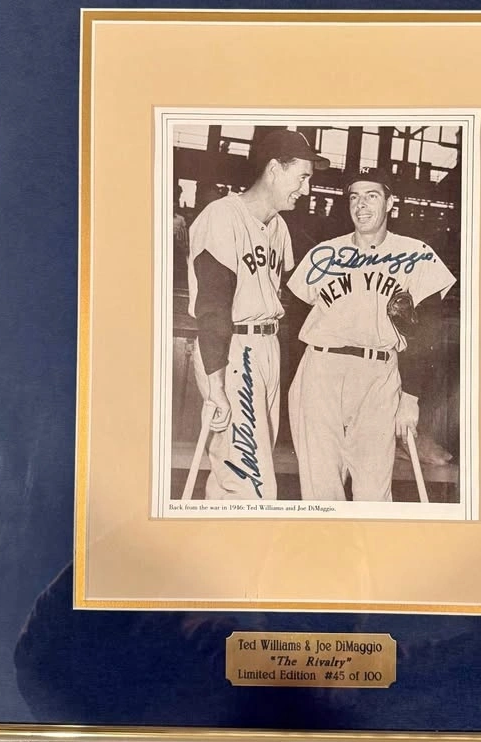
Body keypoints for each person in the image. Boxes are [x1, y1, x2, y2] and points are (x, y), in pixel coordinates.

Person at [287, 168, 456, 501]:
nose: (361, 205)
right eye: (354, 197)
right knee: (319, 488)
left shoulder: (416, 253)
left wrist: (411, 397)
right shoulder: (324, 253)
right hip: (321, 369)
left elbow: (429, 333)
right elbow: (294, 317)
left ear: (390, 203)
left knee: (373, 490)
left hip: (379, 372)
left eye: (372, 196)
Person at [187, 129, 328, 500]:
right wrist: (217, 385)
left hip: (266, 346)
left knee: (239, 473)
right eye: (302, 177)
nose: (306, 189)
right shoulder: (222, 216)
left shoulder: (278, 226)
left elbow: (282, 296)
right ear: (274, 169)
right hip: (233, 349)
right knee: (250, 478)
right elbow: (212, 308)